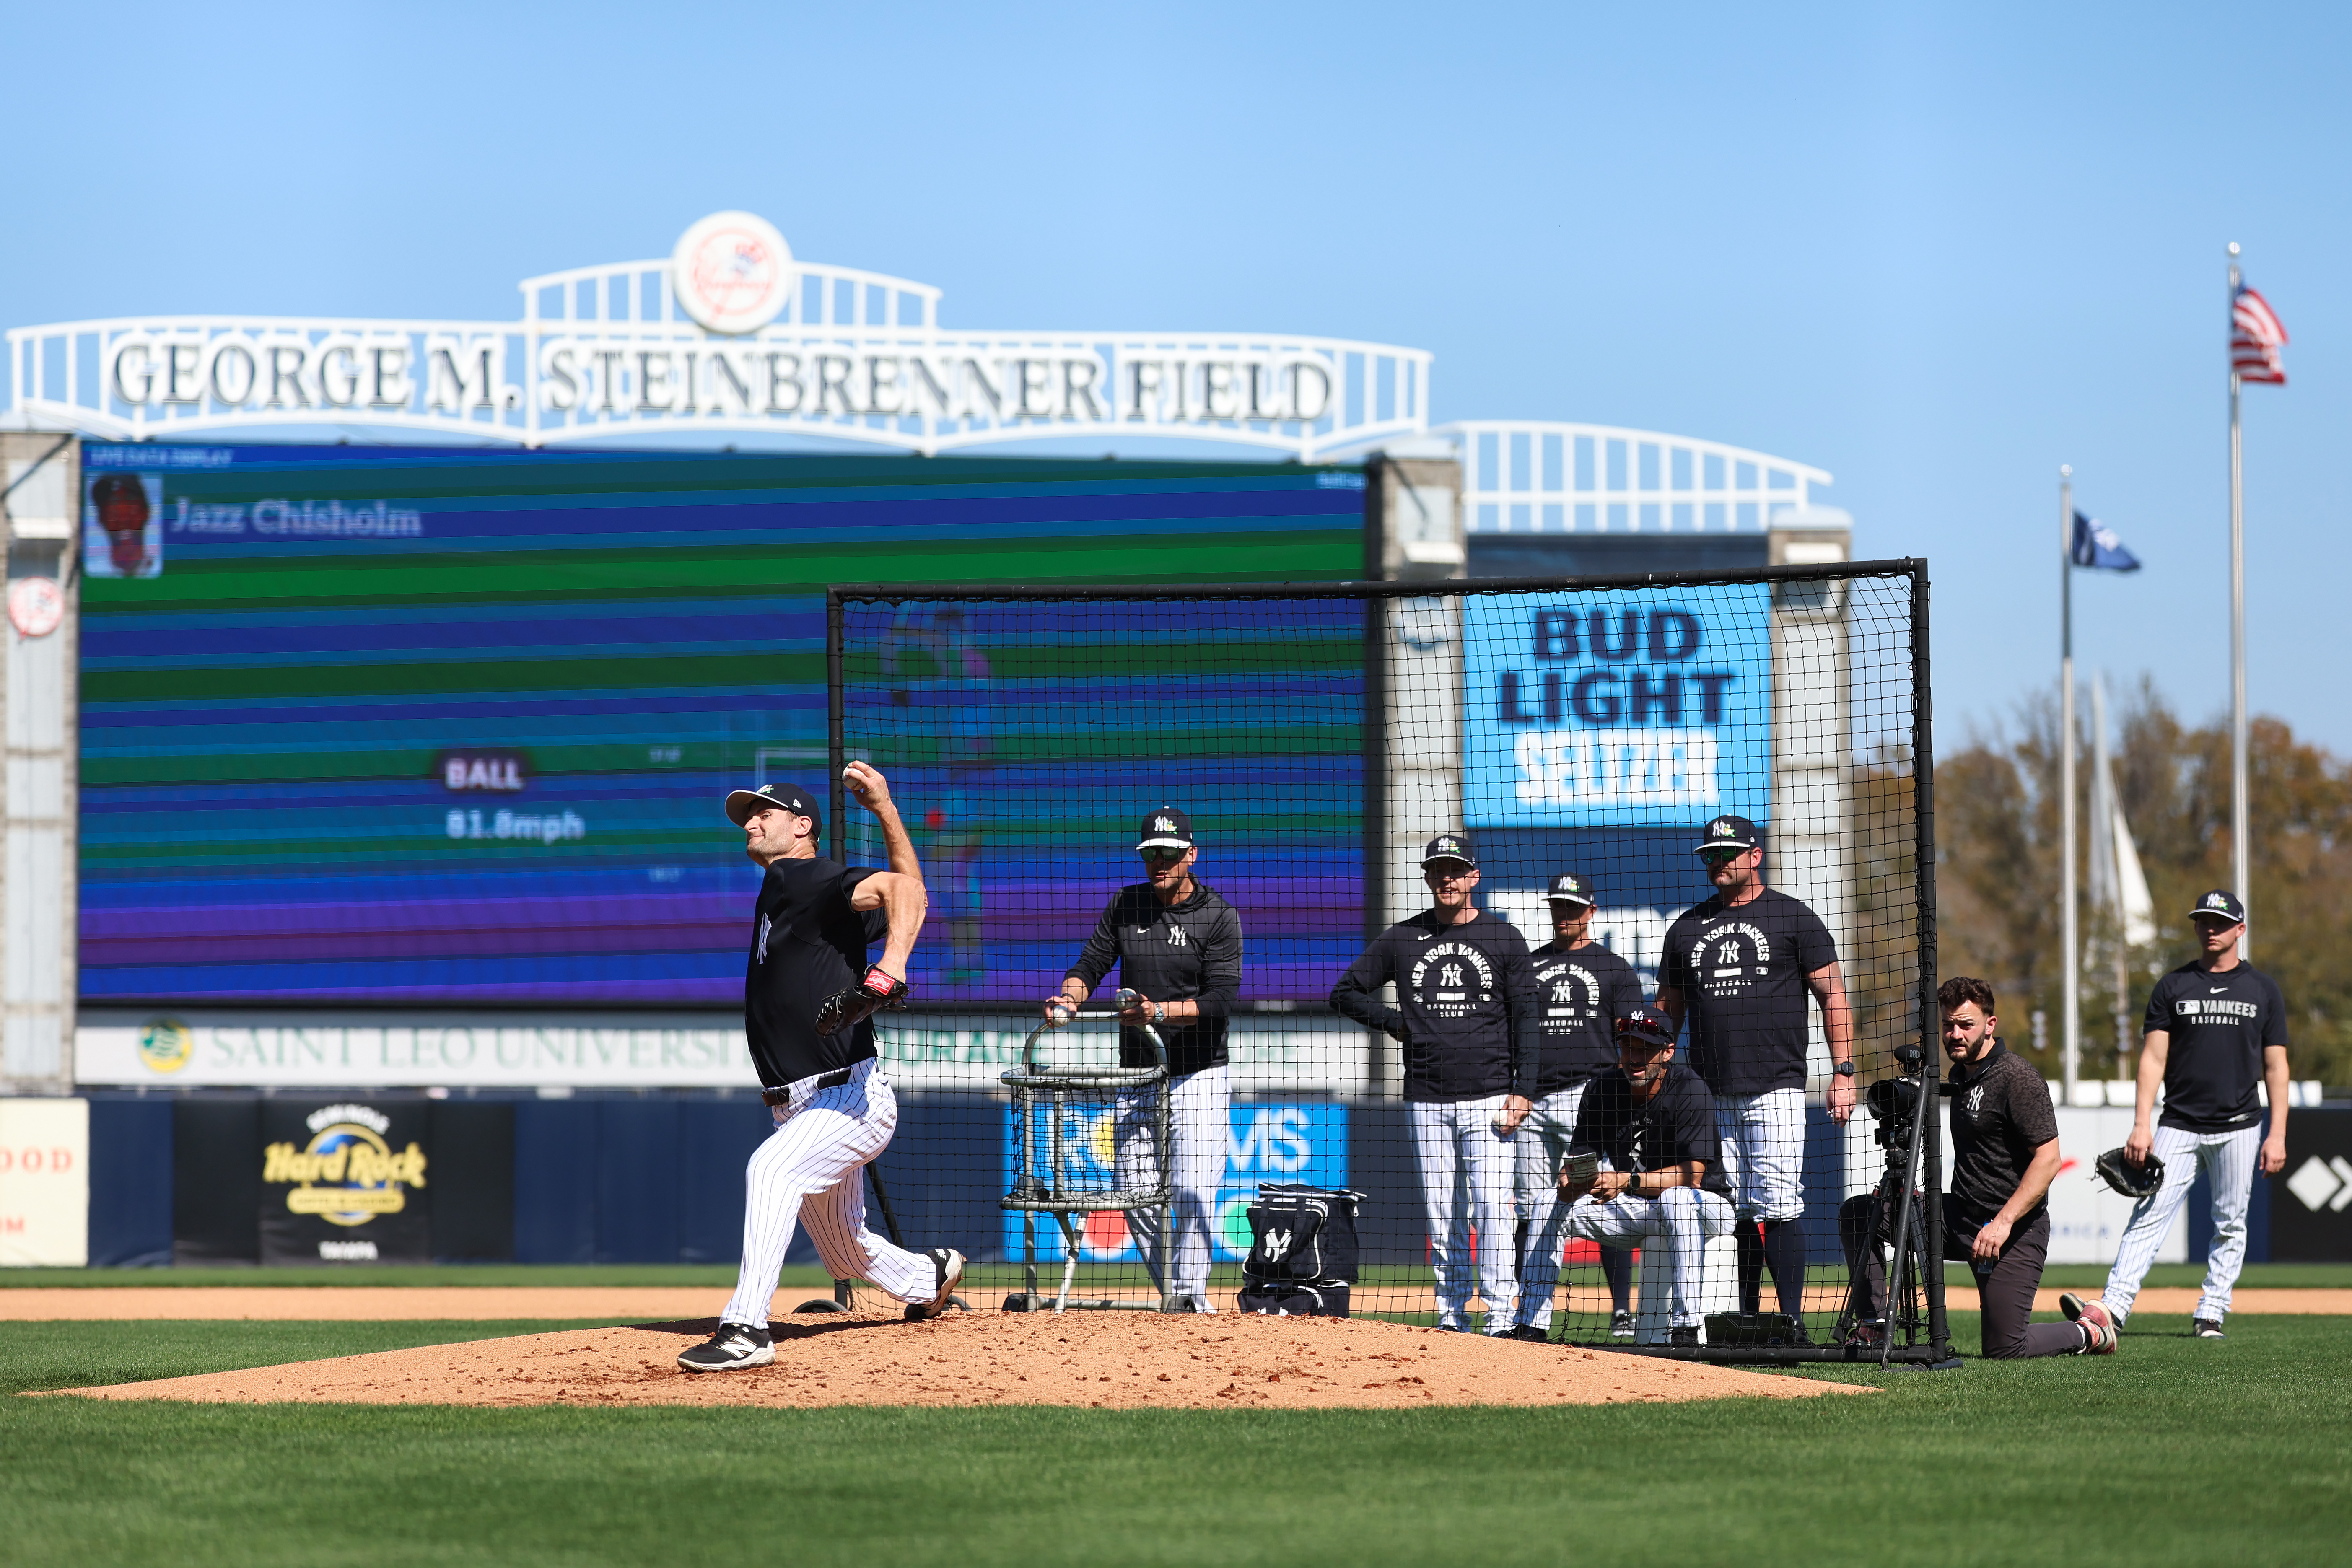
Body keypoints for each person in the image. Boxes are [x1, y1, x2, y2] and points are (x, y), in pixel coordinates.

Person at [678, 767, 964, 1372]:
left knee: (771, 1170)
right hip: (803, 1106)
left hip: (848, 1097)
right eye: (748, 815)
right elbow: (912, 891)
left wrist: (887, 972)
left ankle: (746, 1328)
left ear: (802, 826)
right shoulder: (790, 891)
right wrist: (885, 809)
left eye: (765, 812)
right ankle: (930, 1275)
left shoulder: (803, 875)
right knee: (846, 1254)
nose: (751, 822)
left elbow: (904, 896)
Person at [1839, 977, 2116, 1358]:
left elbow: (2049, 1159)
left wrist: (2002, 1222)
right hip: (1957, 1218)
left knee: (2006, 1348)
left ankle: (2089, 1331)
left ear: (1990, 1024)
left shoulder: (2016, 1076)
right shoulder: (1960, 1073)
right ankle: (1872, 1326)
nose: (1955, 1034)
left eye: (1966, 1025)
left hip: (2013, 1229)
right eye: (1948, 1025)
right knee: (1858, 1213)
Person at [1331, 832, 1540, 1337]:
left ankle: (1501, 1315)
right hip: (1426, 1097)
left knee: (1491, 1208)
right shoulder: (1403, 938)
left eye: (1455, 870)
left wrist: (1524, 1089)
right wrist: (1393, 1022)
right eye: (1437, 871)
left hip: (1491, 1095)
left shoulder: (1503, 937)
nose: (1447, 878)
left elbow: (1527, 1019)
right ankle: (1451, 1316)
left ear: (1474, 876)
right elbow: (1344, 993)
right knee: (1442, 1215)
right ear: (1426, 878)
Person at [1655, 814, 1856, 1337]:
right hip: (1708, 1092)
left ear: (1755, 855)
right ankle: (1744, 1319)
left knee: (1780, 1202)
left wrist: (1844, 1071)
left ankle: (1790, 1321)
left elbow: (1833, 994)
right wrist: (1654, 1069)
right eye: (1709, 855)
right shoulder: (1687, 927)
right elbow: (1666, 1011)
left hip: (1776, 1085)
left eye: (1726, 853)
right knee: (1734, 1206)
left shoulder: (1792, 919)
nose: (1717, 862)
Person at [1047, 806, 1244, 1311]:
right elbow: (1091, 963)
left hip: (1198, 1073)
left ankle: (1188, 1299)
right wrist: (1069, 998)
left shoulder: (1218, 916)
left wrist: (1158, 1012)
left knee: (1191, 1192)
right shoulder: (1126, 904)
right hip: (1138, 1074)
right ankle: (1173, 1297)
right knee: (1131, 1190)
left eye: (1170, 853)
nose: (1159, 862)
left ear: (1190, 855)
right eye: (1151, 853)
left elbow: (1220, 1000)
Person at [2089, 889, 2289, 1340]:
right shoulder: (2173, 987)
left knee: (2230, 1221)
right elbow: (2152, 1060)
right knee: (2150, 1211)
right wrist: (2141, 1123)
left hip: (2240, 1124)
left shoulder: (2263, 990)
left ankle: (2211, 1312)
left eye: (2220, 922)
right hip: (2178, 1122)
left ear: (2240, 929)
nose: (2210, 929)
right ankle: (2113, 1308)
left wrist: (2276, 1134)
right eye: (2203, 921)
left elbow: (2276, 1067)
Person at [1507, 873, 1644, 1343]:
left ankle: (1622, 1308)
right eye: (1557, 907)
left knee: (1602, 1199)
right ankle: (1527, 1310)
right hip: (1533, 1098)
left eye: (1572, 907)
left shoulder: (1614, 969)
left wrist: (1622, 1096)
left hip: (1591, 1100)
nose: (1564, 915)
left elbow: (1631, 1038)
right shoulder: (1529, 965)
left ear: (1591, 911)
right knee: (1530, 1207)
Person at [1553, 1006, 1739, 1348]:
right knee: (1544, 1202)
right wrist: (1570, 1185)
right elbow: (1577, 1164)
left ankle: (1686, 1329)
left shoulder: (1690, 1088)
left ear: (1667, 1052)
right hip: (1640, 1210)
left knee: (1676, 1198)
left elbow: (1692, 1176)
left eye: (1645, 1048)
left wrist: (1624, 1181)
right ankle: (1527, 1327)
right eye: (1627, 1047)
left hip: (1707, 1209)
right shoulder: (1601, 1089)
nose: (1634, 1057)